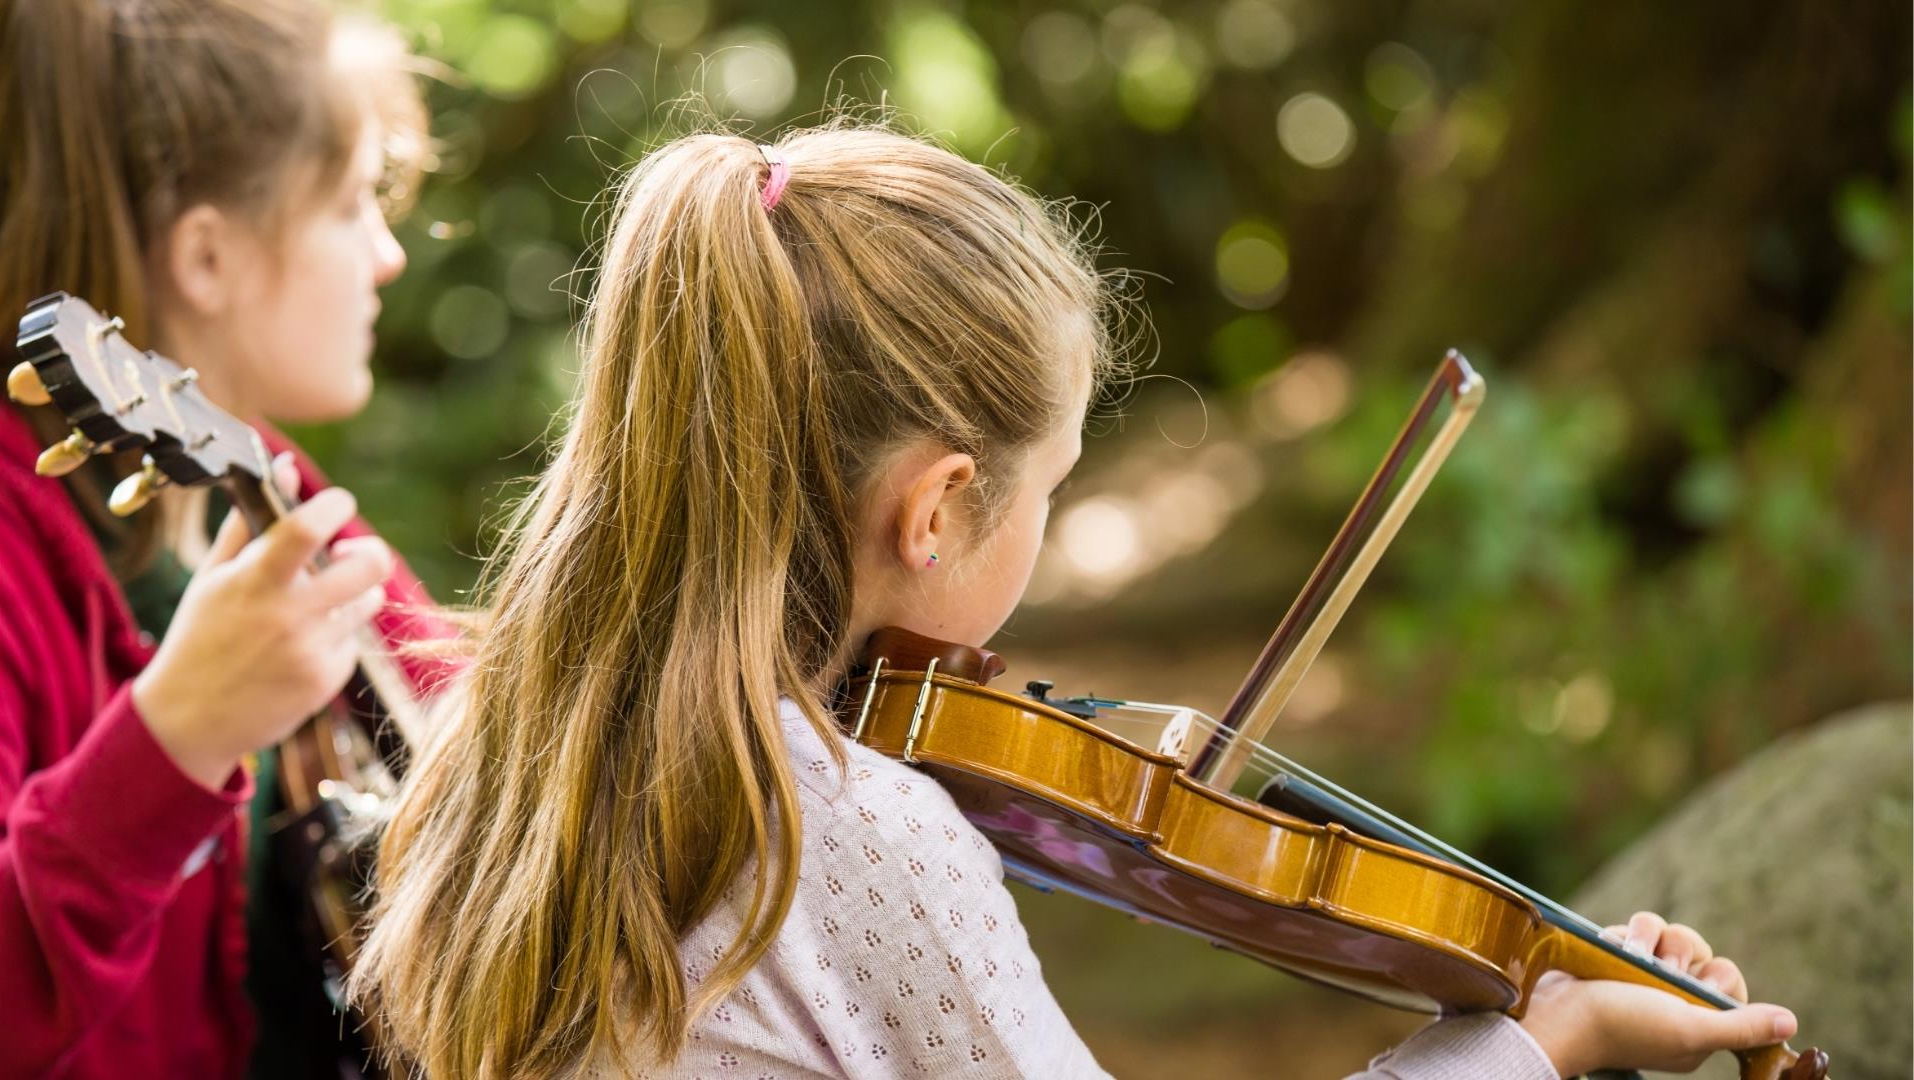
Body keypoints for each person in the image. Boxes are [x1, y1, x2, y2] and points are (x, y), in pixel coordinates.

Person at [350, 125, 1800, 1079]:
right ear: (936, 510)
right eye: (1050, 486)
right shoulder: (847, 833)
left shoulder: (522, 737)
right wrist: (1538, 1046)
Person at [0, 1, 456, 1076]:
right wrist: (175, 736)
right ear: (208, 255)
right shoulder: (11, 551)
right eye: (351, 205)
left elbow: (462, 722)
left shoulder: (269, 485)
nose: (389, 255)